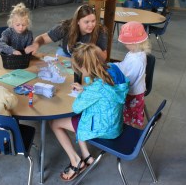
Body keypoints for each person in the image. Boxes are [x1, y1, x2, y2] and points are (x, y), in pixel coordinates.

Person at [49, 43, 129, 181]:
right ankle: (87, 156)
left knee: (54, 123)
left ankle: (76, 162)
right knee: (82, 116)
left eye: (79, 68)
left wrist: (83, 92)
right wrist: (86, 90)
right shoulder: (113, 68)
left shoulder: (96, 88)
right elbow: (104, 93)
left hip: (103, 128)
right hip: (115, 122)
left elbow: (76, 107)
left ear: (84, 67)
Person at [25, 4, 108, 61]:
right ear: (78, 21)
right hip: (66, 53)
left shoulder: (100, 31)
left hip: (87, 59)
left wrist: (95, 50)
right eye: (86, 22)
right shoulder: (65, 27)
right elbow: (43, 38)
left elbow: (104, 57)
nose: (91, 25)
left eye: (93, 21)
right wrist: (35, 44)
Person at [114, 21, 151, 127]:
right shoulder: (136, 53)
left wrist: (114, 74)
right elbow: (125, 66)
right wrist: (115, 65)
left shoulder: (136, 60)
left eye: (126, 42)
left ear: (134, 43)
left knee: (130, 115)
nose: (124, 44)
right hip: (136, 90)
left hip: (133, 93)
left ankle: (128, 131)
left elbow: (128, 79)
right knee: (131, 114)